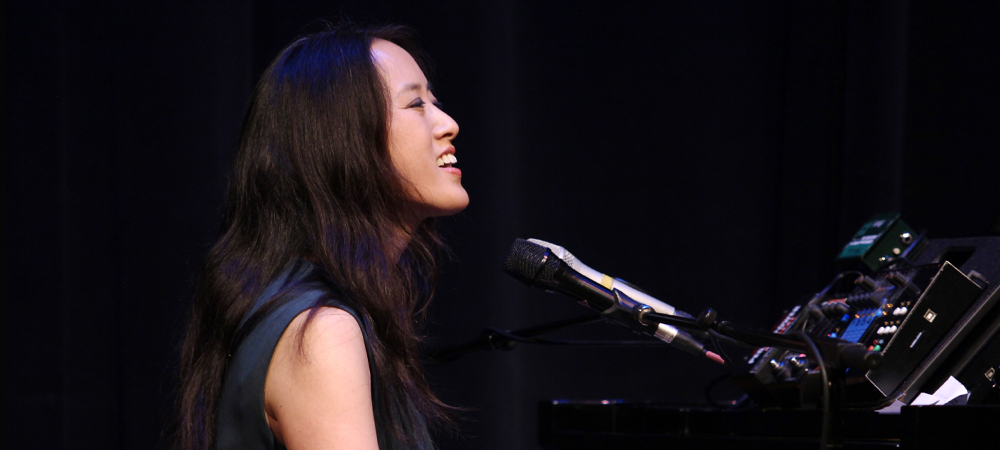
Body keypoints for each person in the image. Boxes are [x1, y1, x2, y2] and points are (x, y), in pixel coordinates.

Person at [175, 24, 467, 450]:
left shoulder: (322, 314)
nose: (449, 124)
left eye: (434, 101)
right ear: (344, 141)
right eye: (416, 103)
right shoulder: (322, 332)